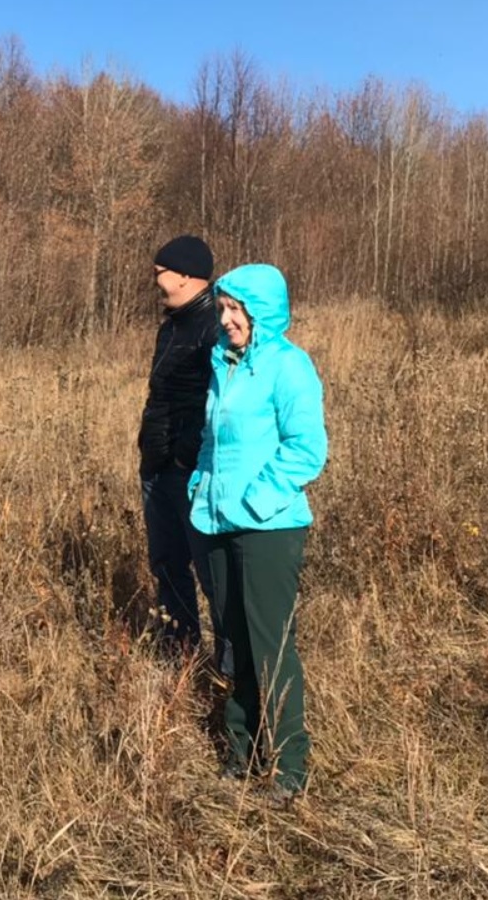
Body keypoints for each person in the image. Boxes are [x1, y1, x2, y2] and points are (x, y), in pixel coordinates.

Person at [188, 263, 327, 800]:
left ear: (260, 311)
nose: (225, 319)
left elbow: (307, 448)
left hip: (269, 528)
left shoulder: (289, 368)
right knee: (233, 643)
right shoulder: (220, 363)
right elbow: (210, 439)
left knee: (271, 646)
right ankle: (241, 755)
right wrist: (199, 488)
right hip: (215, 523)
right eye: (222, 309)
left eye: (234, 309)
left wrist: (256, 498)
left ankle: (290, 766)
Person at [138, 235, 224, 669]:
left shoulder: (215, 325)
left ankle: (231, 668)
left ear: (186, 276)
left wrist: (186, 456)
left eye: (161, 270)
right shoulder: (171, 323)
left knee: (213, 574)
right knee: (167, 565)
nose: (154, 277)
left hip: (189, 471)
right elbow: (162, 395)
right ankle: (181, 658)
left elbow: (218, 402)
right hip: (157, 465)